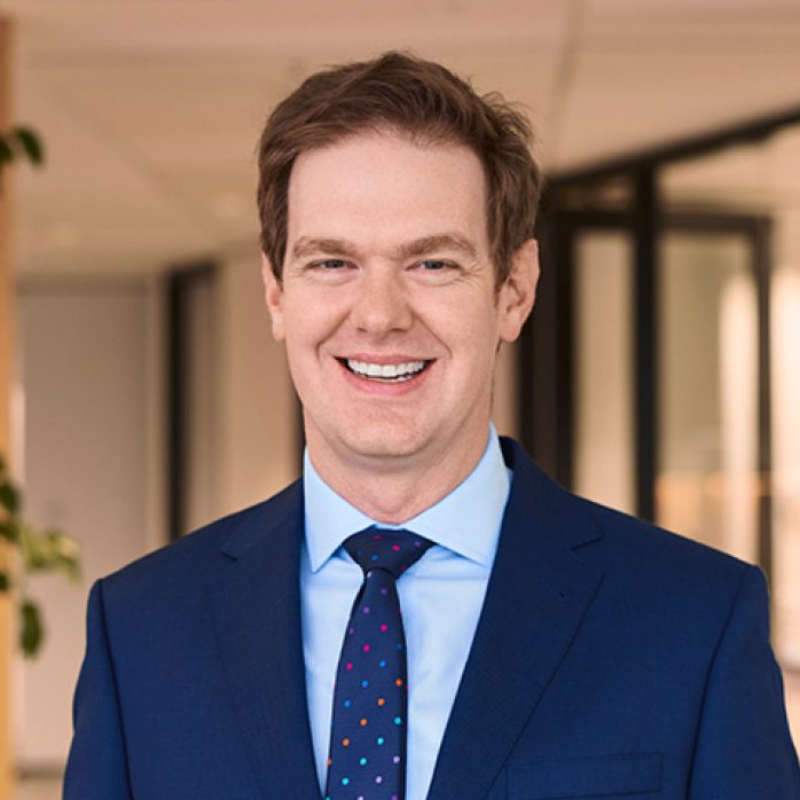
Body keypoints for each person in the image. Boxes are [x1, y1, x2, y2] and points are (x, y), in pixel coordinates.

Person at [64, 52, 799, 800]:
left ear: (514, 289)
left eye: (433, 264)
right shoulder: (142, 632)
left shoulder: (694, 622)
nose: (380, 314)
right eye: (332, 263)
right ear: (276, 292)